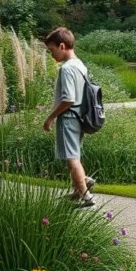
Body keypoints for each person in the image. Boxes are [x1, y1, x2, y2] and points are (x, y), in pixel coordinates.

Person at [43, 26, 95, 207]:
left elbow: (68, 100)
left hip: (69, 118)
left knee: (72, 159)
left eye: (52, 50)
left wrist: (50, 117)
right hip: (80, 117)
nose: (51, 55)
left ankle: (87, 198)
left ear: (62, 46)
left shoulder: (66, 69)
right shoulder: (80, 64)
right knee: (74, 156)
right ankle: (80, 187)